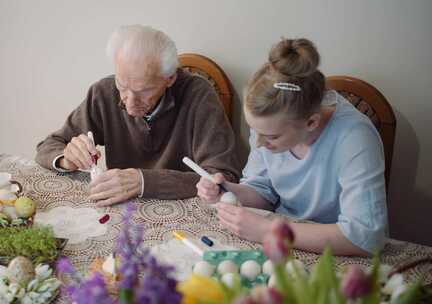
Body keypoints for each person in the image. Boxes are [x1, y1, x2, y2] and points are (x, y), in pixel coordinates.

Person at [196, 38, 387, 256]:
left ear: (311, 123)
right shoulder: (268, 125)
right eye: (254, 131)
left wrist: (269, 231)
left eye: (271, 137)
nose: (259, 143)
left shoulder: (354, 138)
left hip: (335, 253)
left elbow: (365, 237)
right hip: (285, 243)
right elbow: (262, 191)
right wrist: (226, 190)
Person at [36, 24, 240, 206]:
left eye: (143, 90)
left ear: (169, 78)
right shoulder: (103, 92)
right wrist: (67, 159)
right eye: (122, 85)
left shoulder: (199, 96)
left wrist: (143, 181)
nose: (130, 102)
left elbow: (223, 177)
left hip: (184, 213)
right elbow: (47, 146)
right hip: (122, 210)